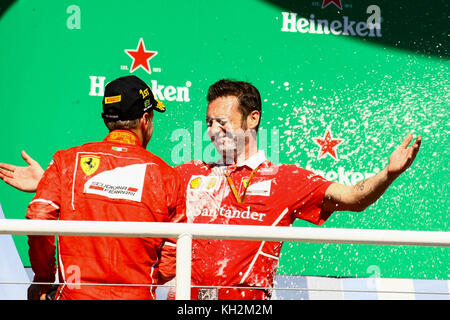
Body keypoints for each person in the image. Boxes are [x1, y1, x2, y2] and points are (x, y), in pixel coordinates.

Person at [0, 79, 421, 300]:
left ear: (252, 119)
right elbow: (121, 193)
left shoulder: (286, 180)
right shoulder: (184, 174)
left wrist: (388, 174)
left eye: (223, 121)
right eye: (209, 122)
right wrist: (48, 183)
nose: (213, 130)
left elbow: (352, 197)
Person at [0, 75, 186, 300]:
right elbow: (171, 258)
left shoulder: (66, 161)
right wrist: (137, 278)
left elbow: (39, 216)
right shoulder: (168, 176)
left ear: (106, 120)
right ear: (145, 119)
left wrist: (43, 277)